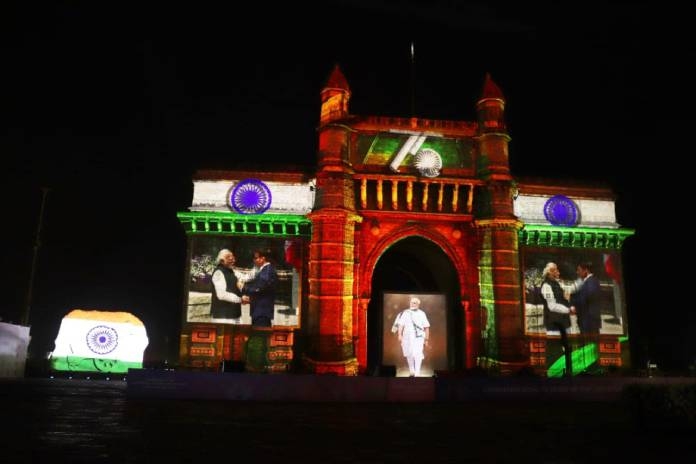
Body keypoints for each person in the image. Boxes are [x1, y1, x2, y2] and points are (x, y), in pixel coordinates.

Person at [541, 262, 574, 376]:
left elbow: (563, 298)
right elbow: (552, 306)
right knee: (555, 353)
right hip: (554, 325)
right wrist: (568, 310)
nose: (558, 272)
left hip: (564, 324)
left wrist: (567, 300)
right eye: (555, 270)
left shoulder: (557, 283)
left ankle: (568, 374)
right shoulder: (546, 286)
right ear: (550, 272)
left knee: (567, 352)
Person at [241, 248, 278, 327]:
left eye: (256, 258)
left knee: (260, 332)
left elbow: (259, 288)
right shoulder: (264, 270)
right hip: (259, 310)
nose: (254, 260)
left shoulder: (267, 270)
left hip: (261, 311)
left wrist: (243, 287)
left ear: (263, 258)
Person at [396, 296, 431, 377]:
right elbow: (401, 325)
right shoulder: (405, 313)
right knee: (409, 353)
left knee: (418, 354)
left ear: (418, 304)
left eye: (414, 303)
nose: (412, 304)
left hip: (418, 337)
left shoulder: (422, 313)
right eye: (411, 302)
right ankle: (412, 370)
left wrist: (426, 339)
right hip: (407, 337)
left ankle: (417, 372)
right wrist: (399, 334)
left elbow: (426, 327)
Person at [210, 249, 243, 322]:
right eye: (228, 258)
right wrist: (240, 299)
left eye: (233, 258)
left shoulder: (231, 271)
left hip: (235, 314)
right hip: (222, 317)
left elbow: (245, 278)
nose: (232, 260)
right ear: (222, 261)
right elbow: (221, 295)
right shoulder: (218, 272)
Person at [571, 262, 602, 336]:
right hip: (587, 320)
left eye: (579, 270)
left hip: (589, 321)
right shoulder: (588, 281)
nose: (577, 272)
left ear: (586, 270)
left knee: (590, 340)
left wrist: (573, 303)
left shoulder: (591, 282)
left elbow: (586, 297)